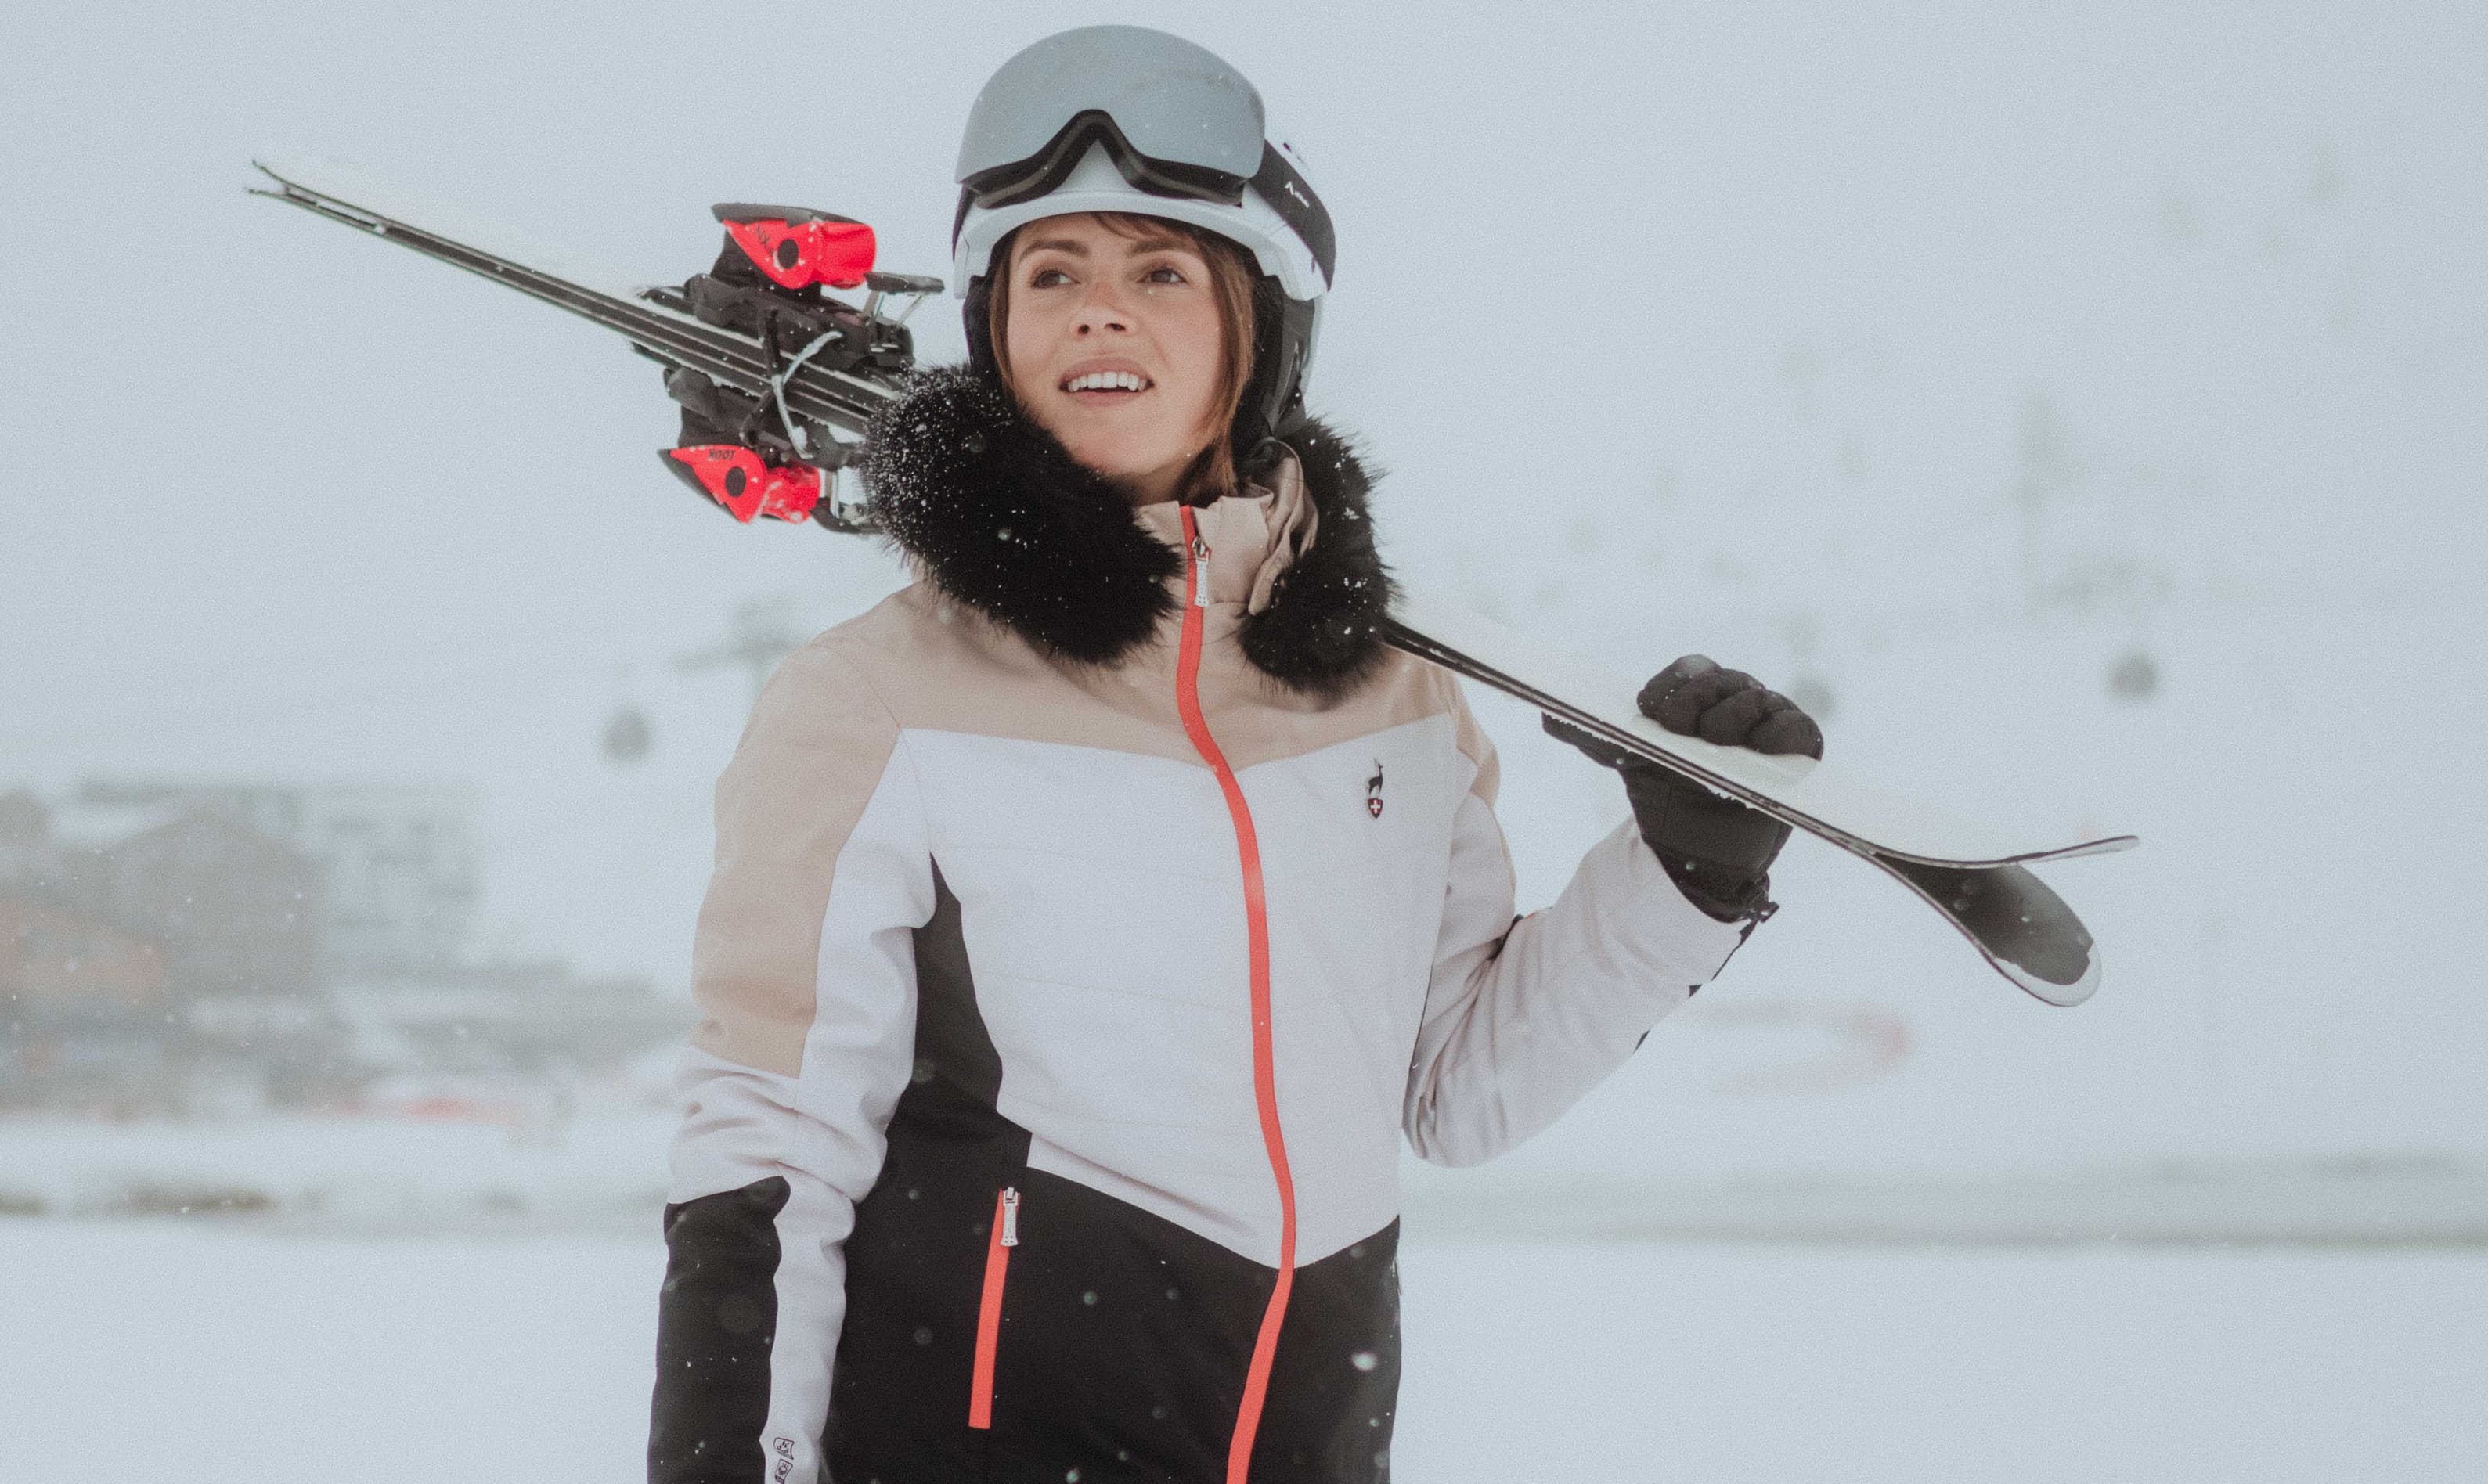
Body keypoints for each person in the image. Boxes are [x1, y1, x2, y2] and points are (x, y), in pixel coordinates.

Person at [649, 26, 1822, 1484]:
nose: (1098, 314)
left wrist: (1681, 883)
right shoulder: (878, 700)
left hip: (1315, 1441)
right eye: (1052, 273)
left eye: (1159, 272)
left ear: (1257, 326)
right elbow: (772, 1144)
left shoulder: (1390, 698)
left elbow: (1456, 1089)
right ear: (995, 326)